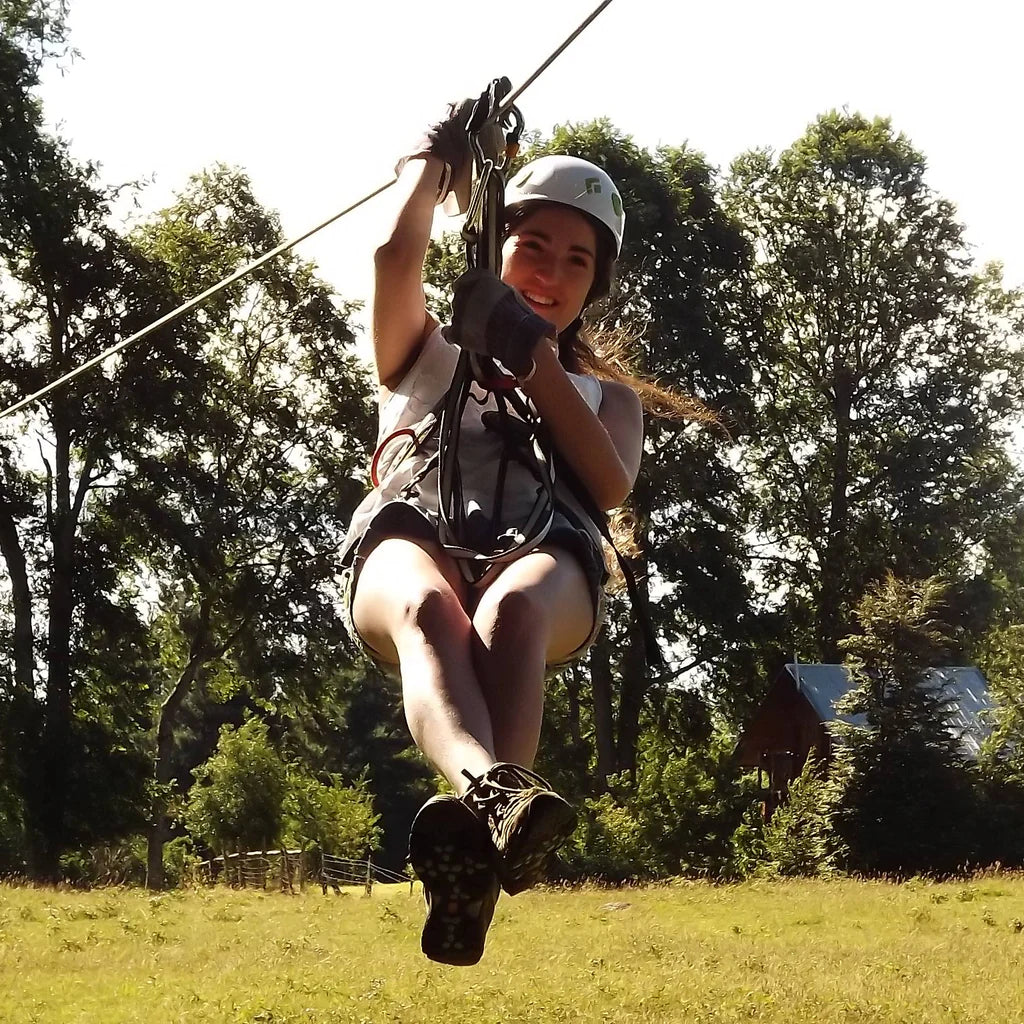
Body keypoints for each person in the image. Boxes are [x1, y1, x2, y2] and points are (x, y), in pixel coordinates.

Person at [339, 102, 685, 965]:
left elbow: (607, 484)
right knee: (426, 607)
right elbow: (393, 256)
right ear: (494, 250)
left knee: (516, 614)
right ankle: (492, 794)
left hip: (543, 553)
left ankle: (481, 853)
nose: (551, 272)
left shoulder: (610, 399)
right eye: (532, 246)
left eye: (577, 261)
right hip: (412, 530)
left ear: (593, 285)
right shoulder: (423, 349)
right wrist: (432, 162)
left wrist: (532, 355)